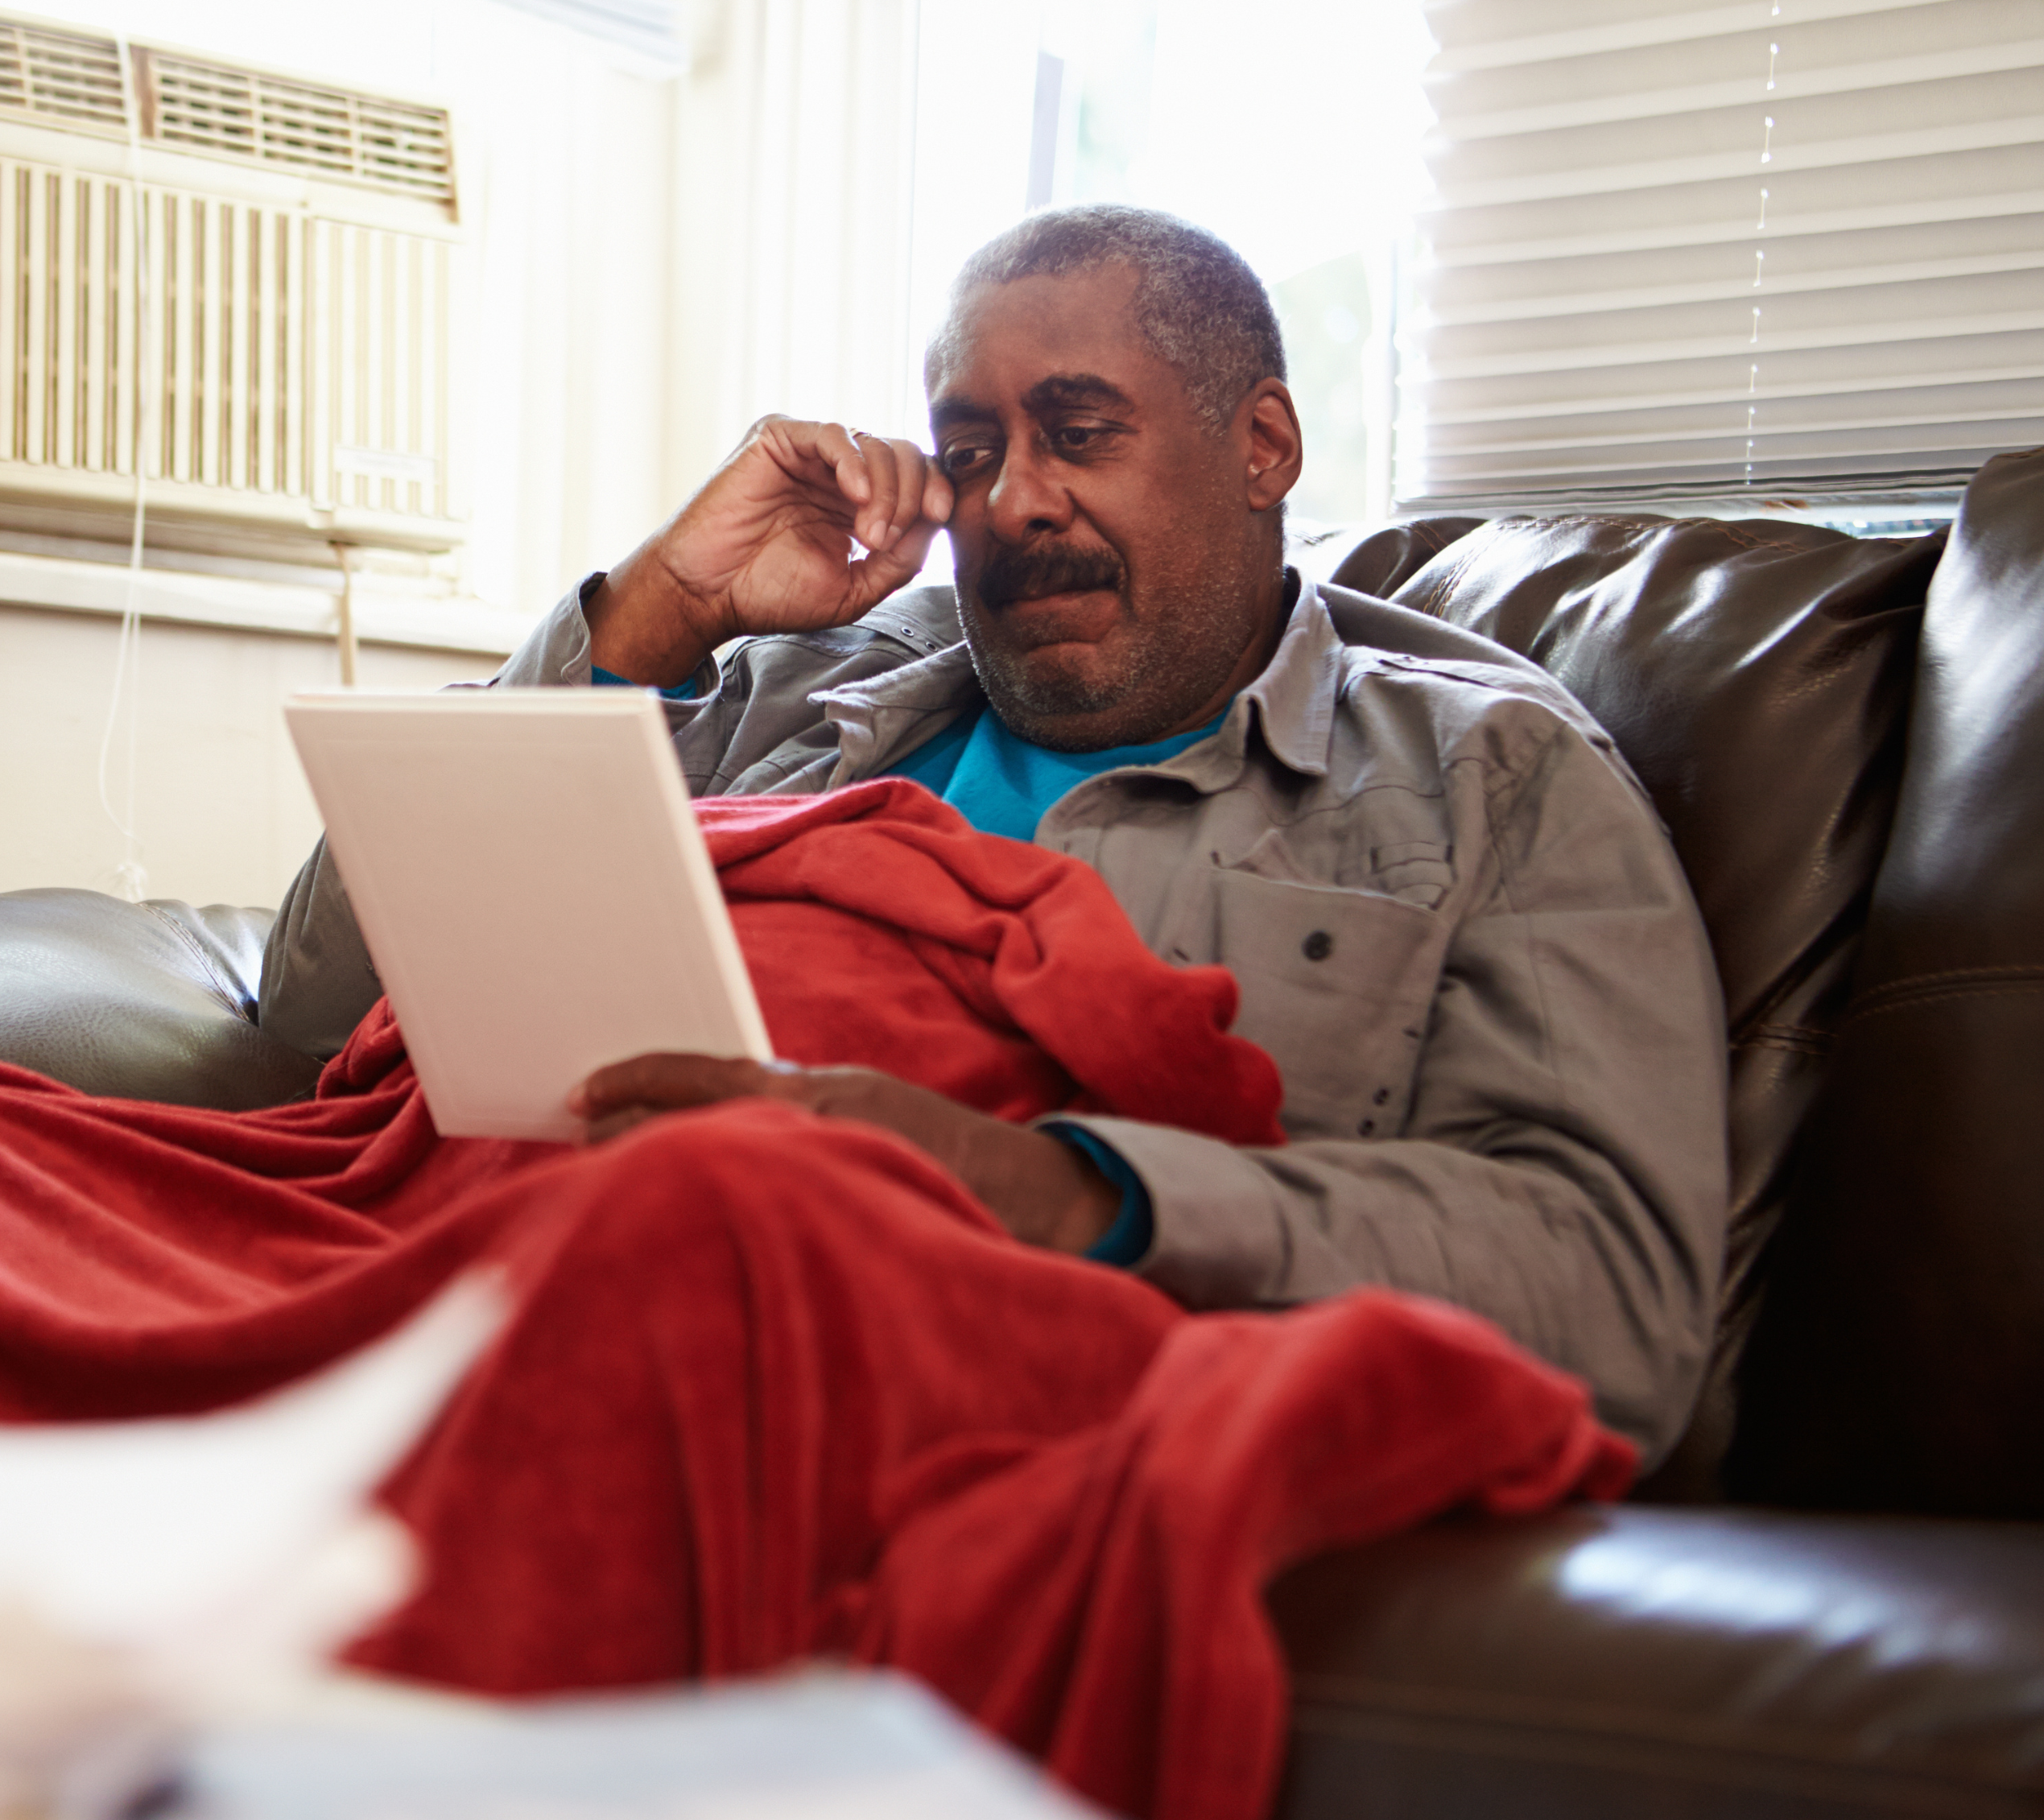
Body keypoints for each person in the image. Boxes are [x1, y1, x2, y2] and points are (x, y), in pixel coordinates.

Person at [261, 205, 1729, 1457]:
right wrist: (665, 606)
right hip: (477, 1273)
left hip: (861, 1362)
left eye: (1080, 434)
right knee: (20, 1155)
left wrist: (1035, 1182)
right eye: (968, 452)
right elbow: (311, 1012)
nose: (1014, 500)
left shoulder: (1482, 779)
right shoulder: (789, 682)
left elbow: (1616, 1286)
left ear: (1263, 444)